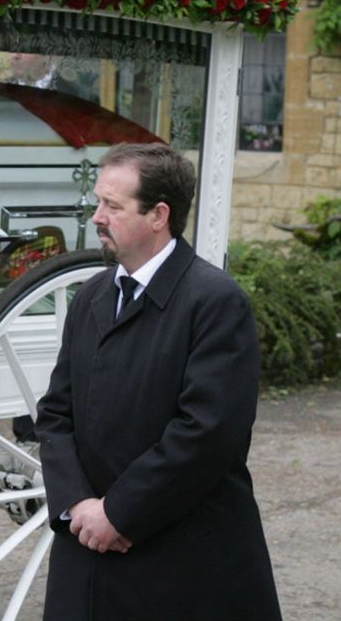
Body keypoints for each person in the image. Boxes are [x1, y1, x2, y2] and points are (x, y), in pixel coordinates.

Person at [34, 143, 281, 620]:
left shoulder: (215, 302)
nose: (97, 217)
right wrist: (79, 505)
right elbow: (55, 413)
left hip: (183, 565)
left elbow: (207, 432)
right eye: (97, 202)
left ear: (158, 215)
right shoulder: (92, 297)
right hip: (87, 554)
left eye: (113, 205)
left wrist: (118, 514)